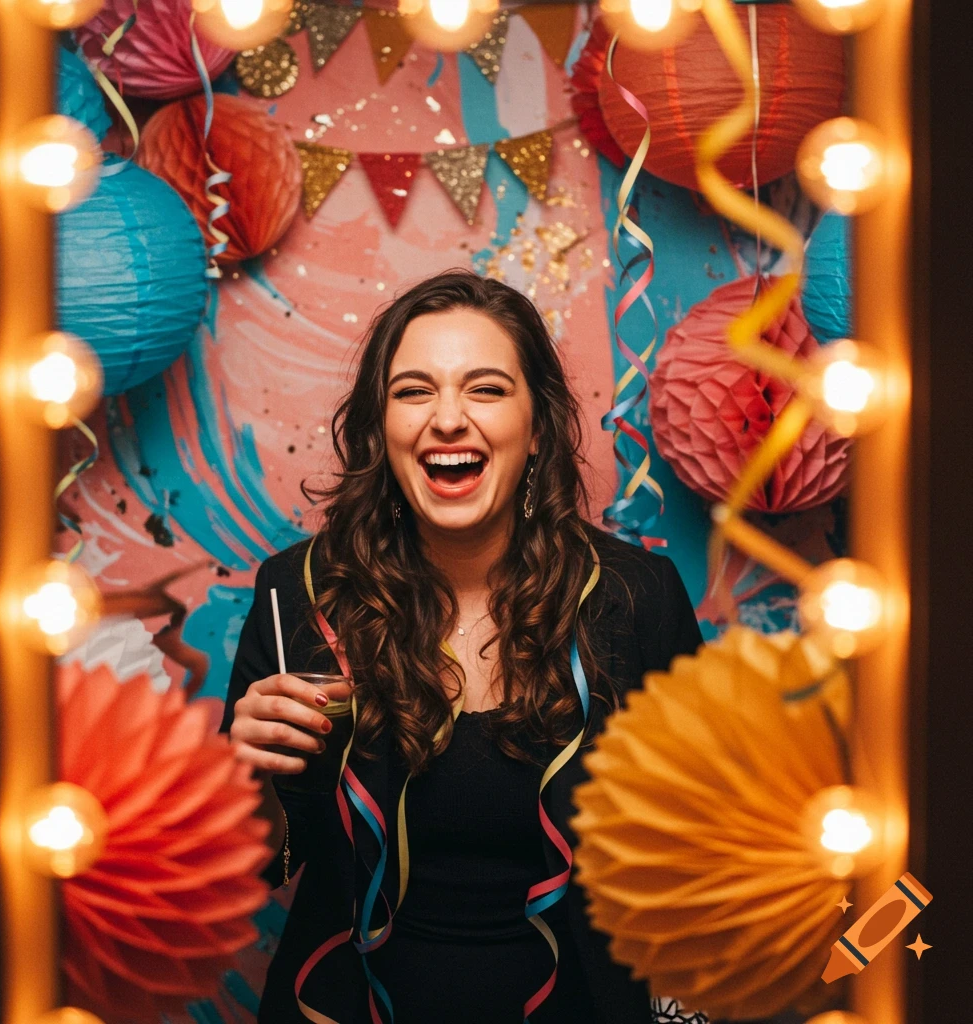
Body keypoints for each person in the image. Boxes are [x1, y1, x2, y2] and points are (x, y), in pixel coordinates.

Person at [221, 270, 703, 1024]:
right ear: (380, 428)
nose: (448, 419)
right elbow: (261, 866)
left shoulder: (635, 598)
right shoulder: (301, 595)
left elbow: (700, 854)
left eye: (485, 389)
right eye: (414, 392)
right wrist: (244, 778)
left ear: (537, 426)